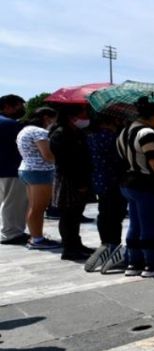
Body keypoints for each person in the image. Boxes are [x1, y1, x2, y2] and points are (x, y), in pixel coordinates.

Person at [117, 97, 154, 278]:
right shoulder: (147, 133)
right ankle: (153, 264)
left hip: (128, 183)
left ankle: (134, 262)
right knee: (152, 225)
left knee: (136, 224)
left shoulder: (124, 132)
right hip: (148, 185)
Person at [48, 106, 95, 260]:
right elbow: (66, 162)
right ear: (71, 116)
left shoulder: (76, 132)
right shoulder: (60, 134)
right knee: (68, 216)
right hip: (69, 179)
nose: (85, 117)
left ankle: (76, 244)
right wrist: (79, 183)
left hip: (78, 177)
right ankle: (69, 248)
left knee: (75, 215)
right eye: (83, 114)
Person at [84, 114, 127, 272]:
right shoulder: (113, 138)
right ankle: (114, 245)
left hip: (99, 180)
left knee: (104, 212)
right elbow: (121, 159)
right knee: (116, 215)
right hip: (114, 180)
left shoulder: (90, 137)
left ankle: (105, 243)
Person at [16, 107, 60, 249]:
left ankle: (35, 236)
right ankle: (37, 239)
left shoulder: (25, 130)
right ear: (47, 118)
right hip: (39, 171)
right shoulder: (40, 132)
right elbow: (47, 155)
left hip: (27, 169)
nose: (54, 122)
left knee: (33, 206)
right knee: (38, 208)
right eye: (54, 119)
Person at [0, 95, 29, 245]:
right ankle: (12, 233)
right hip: (11, 168)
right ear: (7, 107)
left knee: (4, 203)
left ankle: (6, 229)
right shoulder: (11, 125)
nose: (22, 109)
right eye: (18, 106)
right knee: (14, 203)